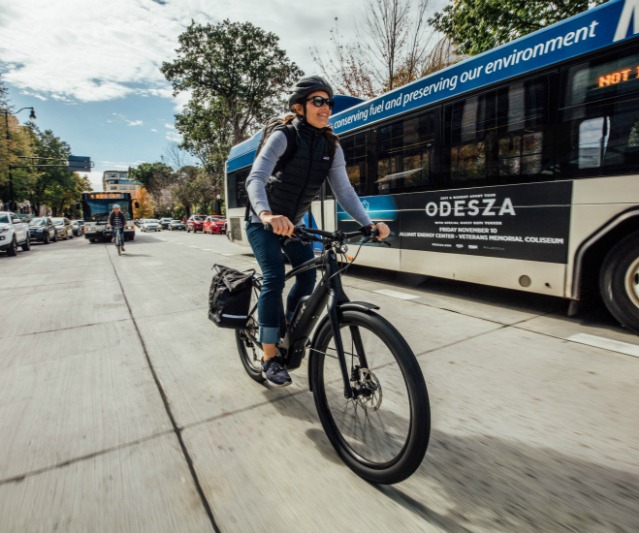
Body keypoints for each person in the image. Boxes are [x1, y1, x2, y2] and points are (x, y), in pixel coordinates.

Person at [245, 75, 390, 387]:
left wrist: (368, 224)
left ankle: (284, 325)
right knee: (272, 275)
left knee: (308, 276)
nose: (326, 108)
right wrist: (268, 215)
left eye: (329, 102)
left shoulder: (330, 145)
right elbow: (255, 178)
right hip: (263, 222)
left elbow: (345, 191)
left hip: (293, 224)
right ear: (300, 107)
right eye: (318, 101)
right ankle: (268, 355)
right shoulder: (284, 136)